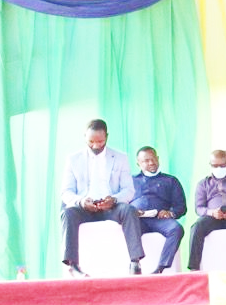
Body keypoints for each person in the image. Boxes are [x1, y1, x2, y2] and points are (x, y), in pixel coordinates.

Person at [59, 118, 145, 276]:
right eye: (91, 141)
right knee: (68, 213)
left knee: (129, 210)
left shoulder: (120, 157)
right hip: (85, 207)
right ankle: (73, 266)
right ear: (84, 137)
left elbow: (129, 190)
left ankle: (135, 262)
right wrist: (81, 202)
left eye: (100, 141)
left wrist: (114, 199)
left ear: (107, 137)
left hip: (111, 206)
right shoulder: (73, 159)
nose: (95, 146)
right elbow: (66, 192)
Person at [188, 149, 226, 271]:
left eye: (222, 165)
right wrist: (212, 212)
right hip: (212, 218)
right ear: (210, 165)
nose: (219, 168)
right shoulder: (203, 184)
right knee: (196, 227)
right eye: (215, 166)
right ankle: (194, 268)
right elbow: (199, 208)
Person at [131, 146, 186, 274]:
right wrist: (131, 211)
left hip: (160, 220)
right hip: (138, 220)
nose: (151, 163)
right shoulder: (131, 181)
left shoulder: (171, 180)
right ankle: (135, 265)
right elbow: (122, 203)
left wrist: (170, 213)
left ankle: (161, 268)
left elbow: (181, 207)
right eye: (146, 161)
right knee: (128, 228)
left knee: (176, 229)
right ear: (138, 164)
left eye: (153, 159)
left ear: (158, 159)